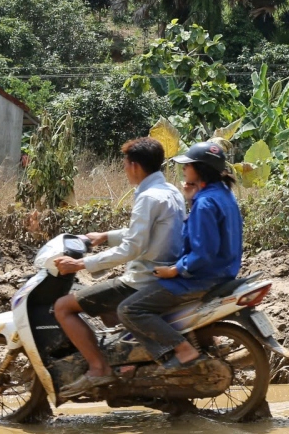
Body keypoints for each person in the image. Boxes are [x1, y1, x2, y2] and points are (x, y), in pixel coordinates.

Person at [53, 137, 185, 398]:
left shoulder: (148, 198)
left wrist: (81, 263)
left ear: (135, 166)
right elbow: (147, 233)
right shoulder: (170, 191)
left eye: (125, 164)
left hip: (143, 279)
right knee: (107, 311)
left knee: (64, 307)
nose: (124, 170)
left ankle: (98, 367)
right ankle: (127, 365)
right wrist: (106, 236)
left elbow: (132, 249)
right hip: (162, 272)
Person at [120, 141, 243, 372]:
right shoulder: (223, 195)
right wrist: (190, 199)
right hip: (223, 273)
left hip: (199, 278)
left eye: (188, 166)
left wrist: (175, 270)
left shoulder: (205, 203)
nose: (184, 170)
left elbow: (203, 253)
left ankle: (178, 352)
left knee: (129, 309)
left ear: (200, 169)